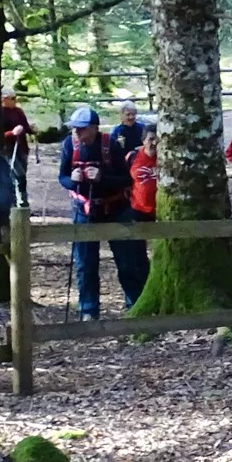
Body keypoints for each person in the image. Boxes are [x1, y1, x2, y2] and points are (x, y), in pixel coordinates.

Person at [58, 105, 148, 320]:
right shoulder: (69, 144)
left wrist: (102, 179)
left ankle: (134, 305)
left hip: (115, 210)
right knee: (85, 264)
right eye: (74, 129)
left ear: (94, 128)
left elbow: (127, 179)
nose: (77, 133)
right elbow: (62, 176)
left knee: (127, 262)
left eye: (81, 129)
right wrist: (72, 181)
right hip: (85, 211)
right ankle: (89, 310)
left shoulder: (111, 145)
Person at [0, 88, 31, 208]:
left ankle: (22, 201)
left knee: (22, 177)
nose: (14, 101)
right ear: (4, 99)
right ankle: (16, 202)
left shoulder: (18, 112)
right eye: (12, 99)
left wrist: (31, 130)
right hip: (8, 150)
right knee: (17, 175)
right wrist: (12, 133)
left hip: (21, 149)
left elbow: (26, 127)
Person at [128, 125, 160, 221]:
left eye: (157, 140)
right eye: (151, 139)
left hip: (158, 210)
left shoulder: (166, 158)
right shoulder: (132, 156)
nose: (154, 143)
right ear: (143, 140)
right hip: (138, 210)